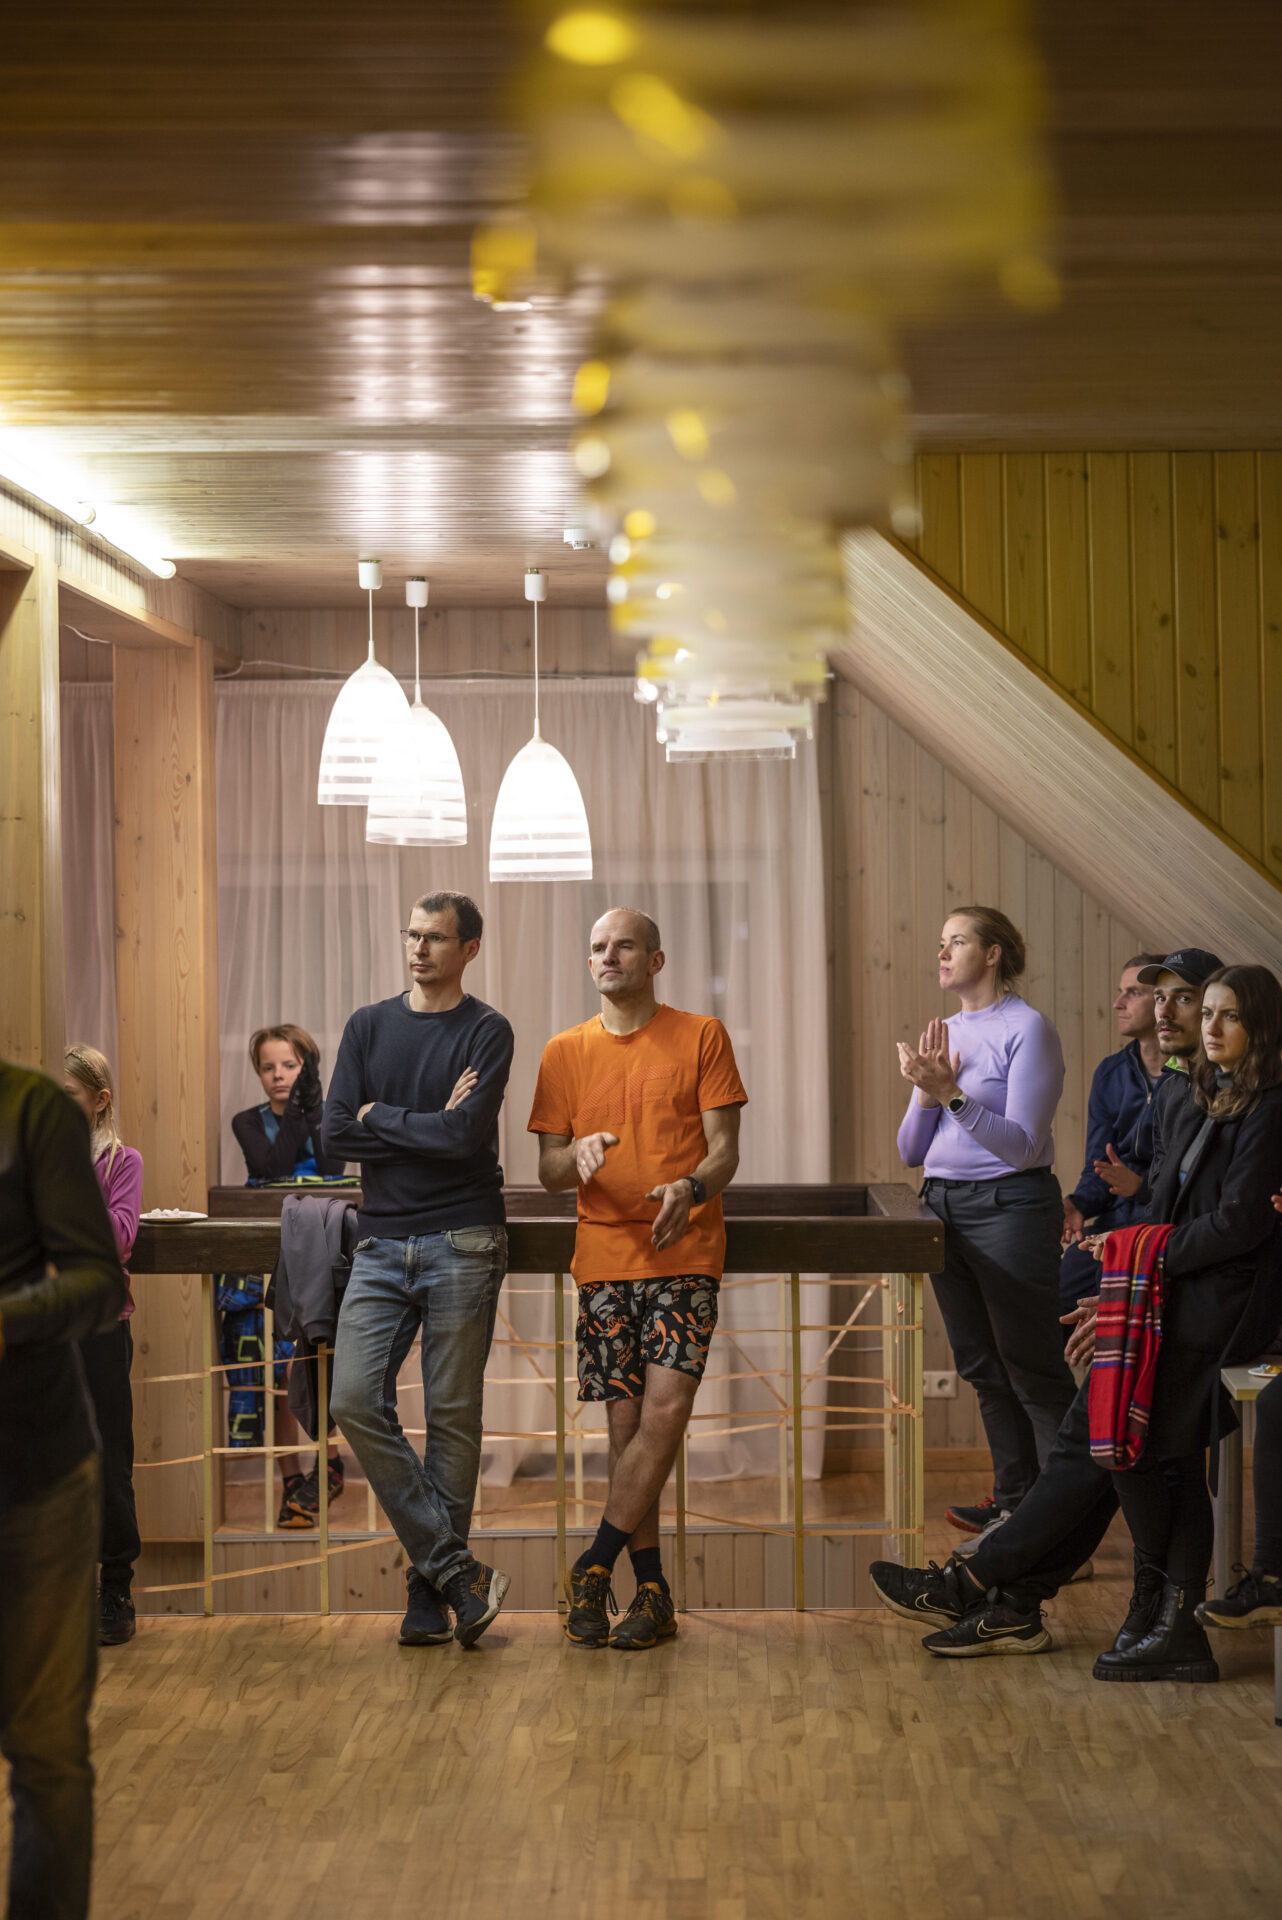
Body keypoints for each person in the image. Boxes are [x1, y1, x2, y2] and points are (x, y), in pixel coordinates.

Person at [870, 948, 1227, 1657]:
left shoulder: (1237, 1102)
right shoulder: (1174, 1091)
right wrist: (1114, 1261)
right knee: (1101, 1448)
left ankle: (983, 1584)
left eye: (1195, 1003)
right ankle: (1020, 1601)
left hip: (1196, 1306)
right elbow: (1155, 1202)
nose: (1166, 1011)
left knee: (1097, 1443)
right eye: (1162, 998)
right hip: (1152, 1288)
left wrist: (1130, 1276)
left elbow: (1225, 1224)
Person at [528, 906, 747, 1652]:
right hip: (602, 1260)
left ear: (655, 960)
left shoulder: (701, 1035)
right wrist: (577, 1154)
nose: (608, 956)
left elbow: (725, 1151)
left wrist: (692, 1186)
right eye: (598, 947)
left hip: (683, 1251)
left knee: (666, 1412)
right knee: (626, 1432)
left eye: (624, 945)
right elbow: (548, 1170)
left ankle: (592, 1565)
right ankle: (651, 1593)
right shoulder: (564, 1051)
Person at [325, 891, 515, 1650]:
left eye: (435, 938)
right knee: (351, 1398)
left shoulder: (487, 1030)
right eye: (412, 935)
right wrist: (426, 1123)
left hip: (464, 1238)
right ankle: (456, 1570)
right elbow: (335, 1132)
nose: (419, 949)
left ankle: (429, 1594)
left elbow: (466, 1138)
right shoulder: (367, 1026)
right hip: (380, 1241)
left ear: (469, 948)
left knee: (451, 1418)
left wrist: (381, 1116)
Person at [1090, 963, 1282, 1683]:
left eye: (1229, 1015)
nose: (1211, 1027)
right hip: (1182, 1288)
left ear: (1260, 1026)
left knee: (1158, 1453)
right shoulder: (1209, 1092)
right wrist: (1139, 1251)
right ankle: (1161, 1612)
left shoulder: (1270, 1104)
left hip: (1229, 1301)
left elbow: (1239, 1223)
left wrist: (1151, 1253)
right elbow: (1167, 1198)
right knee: (1139, 1449)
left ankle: (1176, 1621)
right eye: (1209, 1015)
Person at [897, 906, 1074, 1541]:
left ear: (993, 953)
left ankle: (1062, 1532)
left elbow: (1023, 1147)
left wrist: (951, 1094)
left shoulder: (1028, 1028)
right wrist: (926, 1092)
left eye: (958, 942)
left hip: (1011, 1208)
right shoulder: (943, 1032)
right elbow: (910, 1150)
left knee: (1032, 1368)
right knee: (982, 1368)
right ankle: (1016, 1510)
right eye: (940, 943)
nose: (942, 953)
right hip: (942, 1206)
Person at [0, 1058, 127, 1920]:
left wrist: (5, 1320)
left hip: (33, 1471)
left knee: (45, 1751)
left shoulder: (31, 1110)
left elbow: (98, 1283)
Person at [227, 1023, 345, 1528]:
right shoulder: (246, 1122)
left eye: (290, 1066)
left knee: (316, 1361)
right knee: (276, 1372)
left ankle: (329, 1464)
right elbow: (271, 1168)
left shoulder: (330, 1116)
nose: (278, 1075)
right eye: (268, 1067)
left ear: (308, 1068)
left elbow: (333, 1166)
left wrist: (313, 1113)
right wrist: (299, 1112)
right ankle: (292, 1479)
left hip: (320, 1254)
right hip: (265, 1257)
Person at [63, 1045, 145, 1646]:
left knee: (109, 1460)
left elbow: (118, 1237)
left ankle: (115, 1588)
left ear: (99, 1100)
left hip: (100, 1327)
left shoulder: (121, 1161)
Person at [1059, 953, 1167, 1311]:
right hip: (1115, 1222)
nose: (1118, 1003)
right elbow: (1098, 1168)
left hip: (1164, 1224)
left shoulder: (1193, 1077)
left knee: (1110, 1300)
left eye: (1133, 993)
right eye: (1120, 992)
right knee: (1063, 1294)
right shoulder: (1111, 1072)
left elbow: (1195, 1180)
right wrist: (1077, 1204)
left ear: (1164, 1001)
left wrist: (1141, 1187)